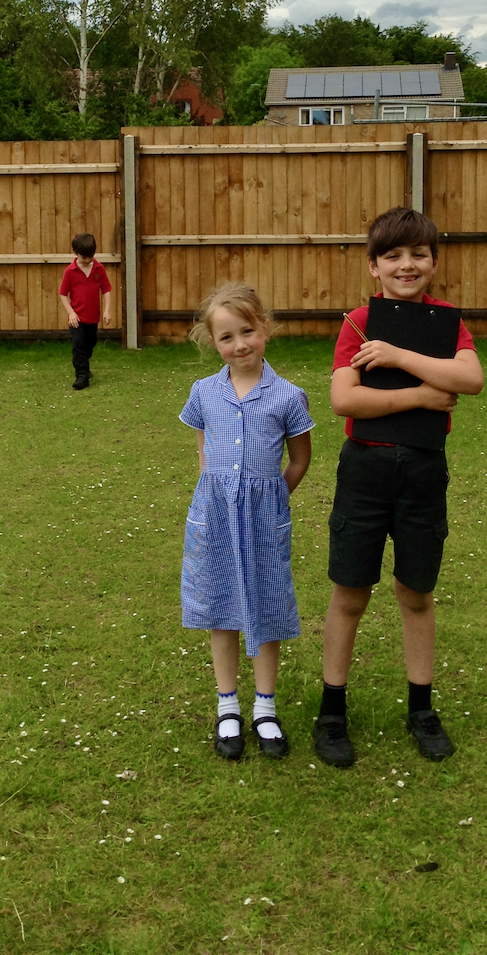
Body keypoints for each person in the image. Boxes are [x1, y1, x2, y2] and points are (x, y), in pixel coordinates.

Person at [314, 207, 484, 768]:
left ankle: (421, 708)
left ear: (433, 262)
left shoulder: (447, 323)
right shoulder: (358, 322)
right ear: (374, 267)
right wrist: (419, 393)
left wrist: (396, 358)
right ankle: (332, 710)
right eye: (393, 256)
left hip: (422, 473)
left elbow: (470, 379)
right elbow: (345, 400)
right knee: (350, 592)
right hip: (365, 470)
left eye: (418, 254)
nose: (406, 265)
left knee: (416, 592)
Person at [180, 282, 314, 761]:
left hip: (263, 519)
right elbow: (202, 446)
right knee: (221, 608)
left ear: (266, 329)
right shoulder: (203, 392)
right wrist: (214, 493)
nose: (240, 345)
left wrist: (273, 498)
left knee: (266, 606)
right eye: (227, 337)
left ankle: (265, 707)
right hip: (215, 518)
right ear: (212, 343)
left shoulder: (288, 397)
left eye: (248, 332)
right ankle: (228, 705)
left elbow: (299, 459)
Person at [58, 232, 113, 390]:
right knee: (78, 344)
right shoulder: (70, 271)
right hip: (77, 318)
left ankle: (84, 365)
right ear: (76, 254)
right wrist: (71, 312)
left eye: (91, 257)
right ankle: (81, 375)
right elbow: (62, 294)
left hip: (93, 317)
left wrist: (107, 310)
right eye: (84, 258)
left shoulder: (99, 269)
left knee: (90, 343)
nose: (88, 260)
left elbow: (106, 290)